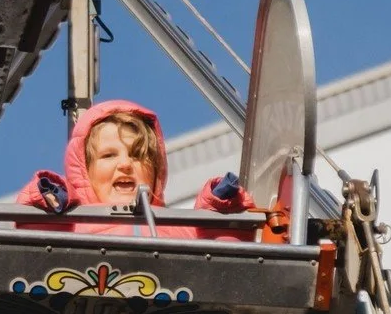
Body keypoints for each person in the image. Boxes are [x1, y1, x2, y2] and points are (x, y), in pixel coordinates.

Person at [15, 98, 256, 239]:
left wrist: (220, 209)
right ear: (84, 171)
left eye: (138, 155)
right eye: (108, 155)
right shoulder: (68, 224)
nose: (125, 165)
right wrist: (47, 199)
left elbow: (225, 254)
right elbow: (34, 245)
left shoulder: (181, 227)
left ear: (156, 171)